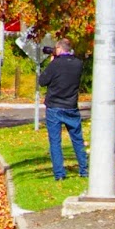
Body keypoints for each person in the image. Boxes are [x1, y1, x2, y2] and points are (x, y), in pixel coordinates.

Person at [38, 37, 88, 180]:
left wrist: (52, 63)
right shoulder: (78, 64)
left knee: (55, 141)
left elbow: (42, 81)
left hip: (54, 107)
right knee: (77, 139)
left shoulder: (55, 64)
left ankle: (59, 174)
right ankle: (84, 170)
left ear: (59, 49)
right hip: (71, 106)